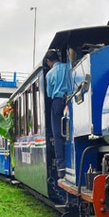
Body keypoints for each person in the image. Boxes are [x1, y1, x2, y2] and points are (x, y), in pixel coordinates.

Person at [45, 49, 70, 178]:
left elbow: (49, 94)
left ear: (49, 61)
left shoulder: (49, 74)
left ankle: (61, 166)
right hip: (71, 100)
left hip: (58, 102)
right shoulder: (68, 66)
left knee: (57, 134)